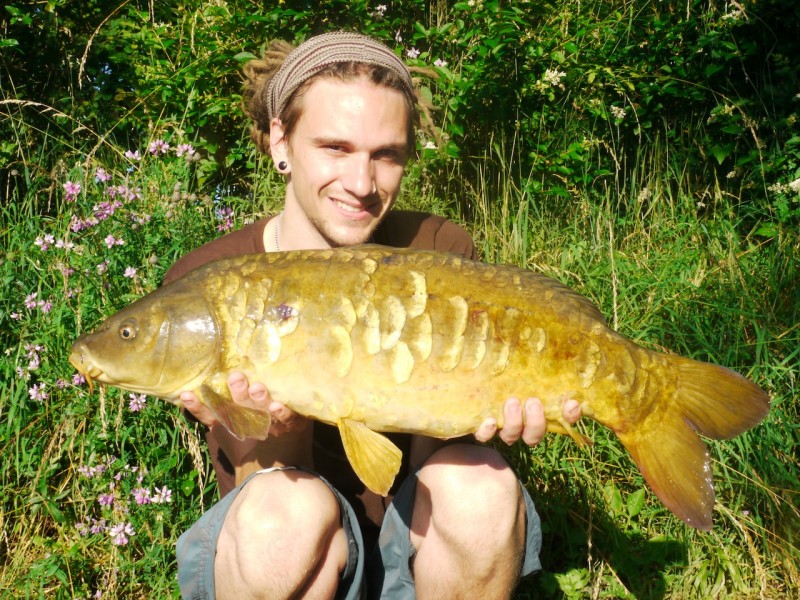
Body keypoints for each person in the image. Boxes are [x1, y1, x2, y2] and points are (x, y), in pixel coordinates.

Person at [167, 31, 582, 599]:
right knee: (282, 520)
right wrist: (279, 425)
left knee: (481, 490)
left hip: (416, 547)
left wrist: (488, 409)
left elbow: (433, 456)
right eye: (335, 148)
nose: (362, 184)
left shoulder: (438, 249)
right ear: (279, 140)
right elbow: (257, 481)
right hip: (295, 545)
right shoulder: (211, 283)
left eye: (385, 155)